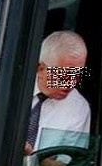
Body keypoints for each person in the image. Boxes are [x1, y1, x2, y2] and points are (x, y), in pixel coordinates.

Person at [24, 30, 91, 158]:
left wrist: (29, 157)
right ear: (41, 68)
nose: (70, 84)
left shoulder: (78, 108)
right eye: (63, 76)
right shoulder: (11, 87)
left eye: (77, 76)